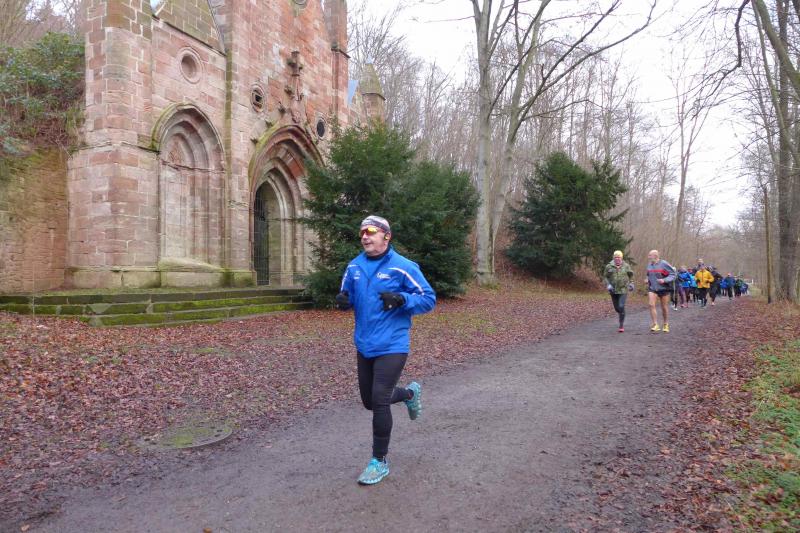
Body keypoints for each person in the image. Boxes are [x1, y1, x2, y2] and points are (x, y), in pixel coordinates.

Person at [335, 215, 436, 485]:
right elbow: (347, 295)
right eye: (362, 232)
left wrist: (402, 299)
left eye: (370, 231)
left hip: (393, 343)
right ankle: (409, 394)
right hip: (364, 343)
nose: (365, 236)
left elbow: (428, 299)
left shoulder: (403, 267)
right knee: (369, 401)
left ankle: (378, 461)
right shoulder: (354, 267)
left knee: (379, 399)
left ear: (386, 236)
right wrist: (344, 302)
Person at [645, 249, 676, 333]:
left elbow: (673, 274)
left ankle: (665, 324)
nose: (648, 257)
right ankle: (655, 324)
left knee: (664, 307)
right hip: (653, 288)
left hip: (664, 288)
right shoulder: (649, 265)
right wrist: (647, 279)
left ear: (655, 256)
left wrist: (664, 280)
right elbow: (648, 274)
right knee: (651, 304)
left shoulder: (664, 264)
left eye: (650, 255)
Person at [604, 250, 635, 332]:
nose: (617, 259)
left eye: (619, 257)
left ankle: (621, 325)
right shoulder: (609, 266)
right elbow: (605, 277)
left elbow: (631, 276)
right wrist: (608, 284)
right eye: (616, 257)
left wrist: (631, 283)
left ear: (621, 258)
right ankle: (622, 312)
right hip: (613, 290)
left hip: (623, 289)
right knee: (617, 308)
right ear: (613, 258)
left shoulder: (626, 266)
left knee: (621, 306)